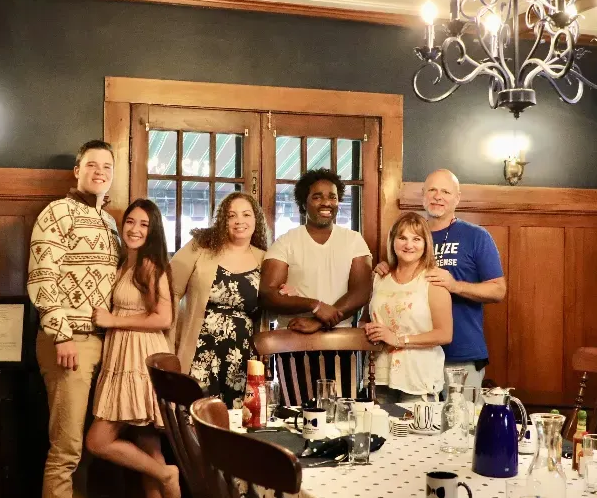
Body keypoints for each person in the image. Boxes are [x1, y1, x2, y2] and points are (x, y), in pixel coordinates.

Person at [27, 140, 120, 498]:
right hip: (69, 342)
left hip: (102, 344)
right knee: (65, 451)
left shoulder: (111, 222)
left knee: (85, 448)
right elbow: (42, 273)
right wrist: (61, 333)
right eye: (93, 164)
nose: (100, 171)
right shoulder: (57, 212)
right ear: (77, 171)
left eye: (107, 166)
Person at [86, 198, 181, 498]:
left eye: (143, 224)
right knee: (149, 449)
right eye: (130, 222)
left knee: (98, 441)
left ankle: (168, 474)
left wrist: (113, 321)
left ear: (152, 230)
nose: (135, 229)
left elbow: (163, 318)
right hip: (121, 354)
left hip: (139, 357)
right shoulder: (126, 262)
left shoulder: (151, 265)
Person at [376, 169, 506, 389]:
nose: (438, 196)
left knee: (459, 421)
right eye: (432, 190)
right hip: (411, 356)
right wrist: (385, 266)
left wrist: (455, 285)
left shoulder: (476, 236)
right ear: (423, 195)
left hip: (460, 353)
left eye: (445, 191)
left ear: (457, 197)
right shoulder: (408, 237)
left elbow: (498, 291)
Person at [259, 169, 373, 398]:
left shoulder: (354, 241)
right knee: (296, 417)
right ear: (304, 202)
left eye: (332, 196)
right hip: (294, 344)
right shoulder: (286, 242)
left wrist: (320, 323)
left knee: (342, 417)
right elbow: (268, 294)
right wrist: (316, 306)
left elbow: (361, 292)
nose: (326, 202)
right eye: (317, 196)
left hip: (343, 345)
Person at [168, 192, 269, 408]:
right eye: (232, 216)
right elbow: (169, 289)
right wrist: (170, 341)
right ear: (223, 221)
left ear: (256, 220)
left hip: (243, 356)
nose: (239, 221)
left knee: (237, 419)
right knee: (195, 414)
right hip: (199, 350)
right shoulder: (201, 247)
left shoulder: (265, 259)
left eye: (246, 214)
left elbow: (272, 304)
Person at [361, 212, 453, 403]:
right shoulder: (379, 278)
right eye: (402, 238)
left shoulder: (434, 280)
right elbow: (364, 321)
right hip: (379, 375)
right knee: (378, 432)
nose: (408, 245)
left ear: (426, 243)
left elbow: (444, 334)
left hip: (418, 378)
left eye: (416, 239)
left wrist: (397, 339)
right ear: (393, 241)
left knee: (415, 433)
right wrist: (368, 329)